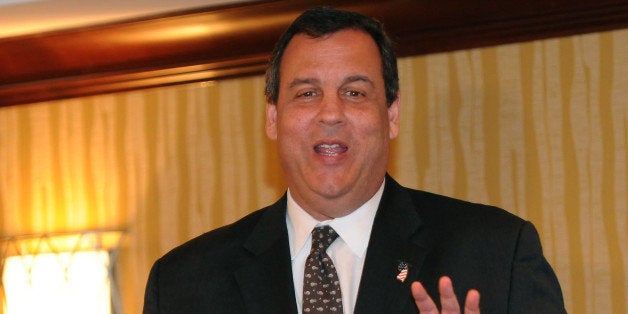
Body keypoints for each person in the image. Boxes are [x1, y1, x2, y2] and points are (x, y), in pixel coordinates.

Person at [143, 6, 566, 314]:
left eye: (355, 92)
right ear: (273, 117)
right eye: (307, 93)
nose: (330, 113)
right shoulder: (183, 283)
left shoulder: (497, 253)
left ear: (392, 114)